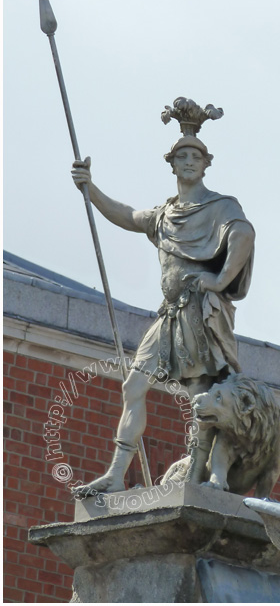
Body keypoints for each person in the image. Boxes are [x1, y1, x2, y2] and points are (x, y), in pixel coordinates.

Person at [71, 134, 255, 495]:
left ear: (205, 165)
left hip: (198, 313)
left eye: (196, 157)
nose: (189, 162)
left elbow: (243, 234)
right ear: (171, 164)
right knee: (133, 385)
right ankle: (115, 474)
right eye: (182, 156)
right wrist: (90, 189)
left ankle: (197, 476)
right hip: (169, 315)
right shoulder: (164, 215)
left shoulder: (221, 207)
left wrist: (219, 280)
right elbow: (126, 215)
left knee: (200, 399)